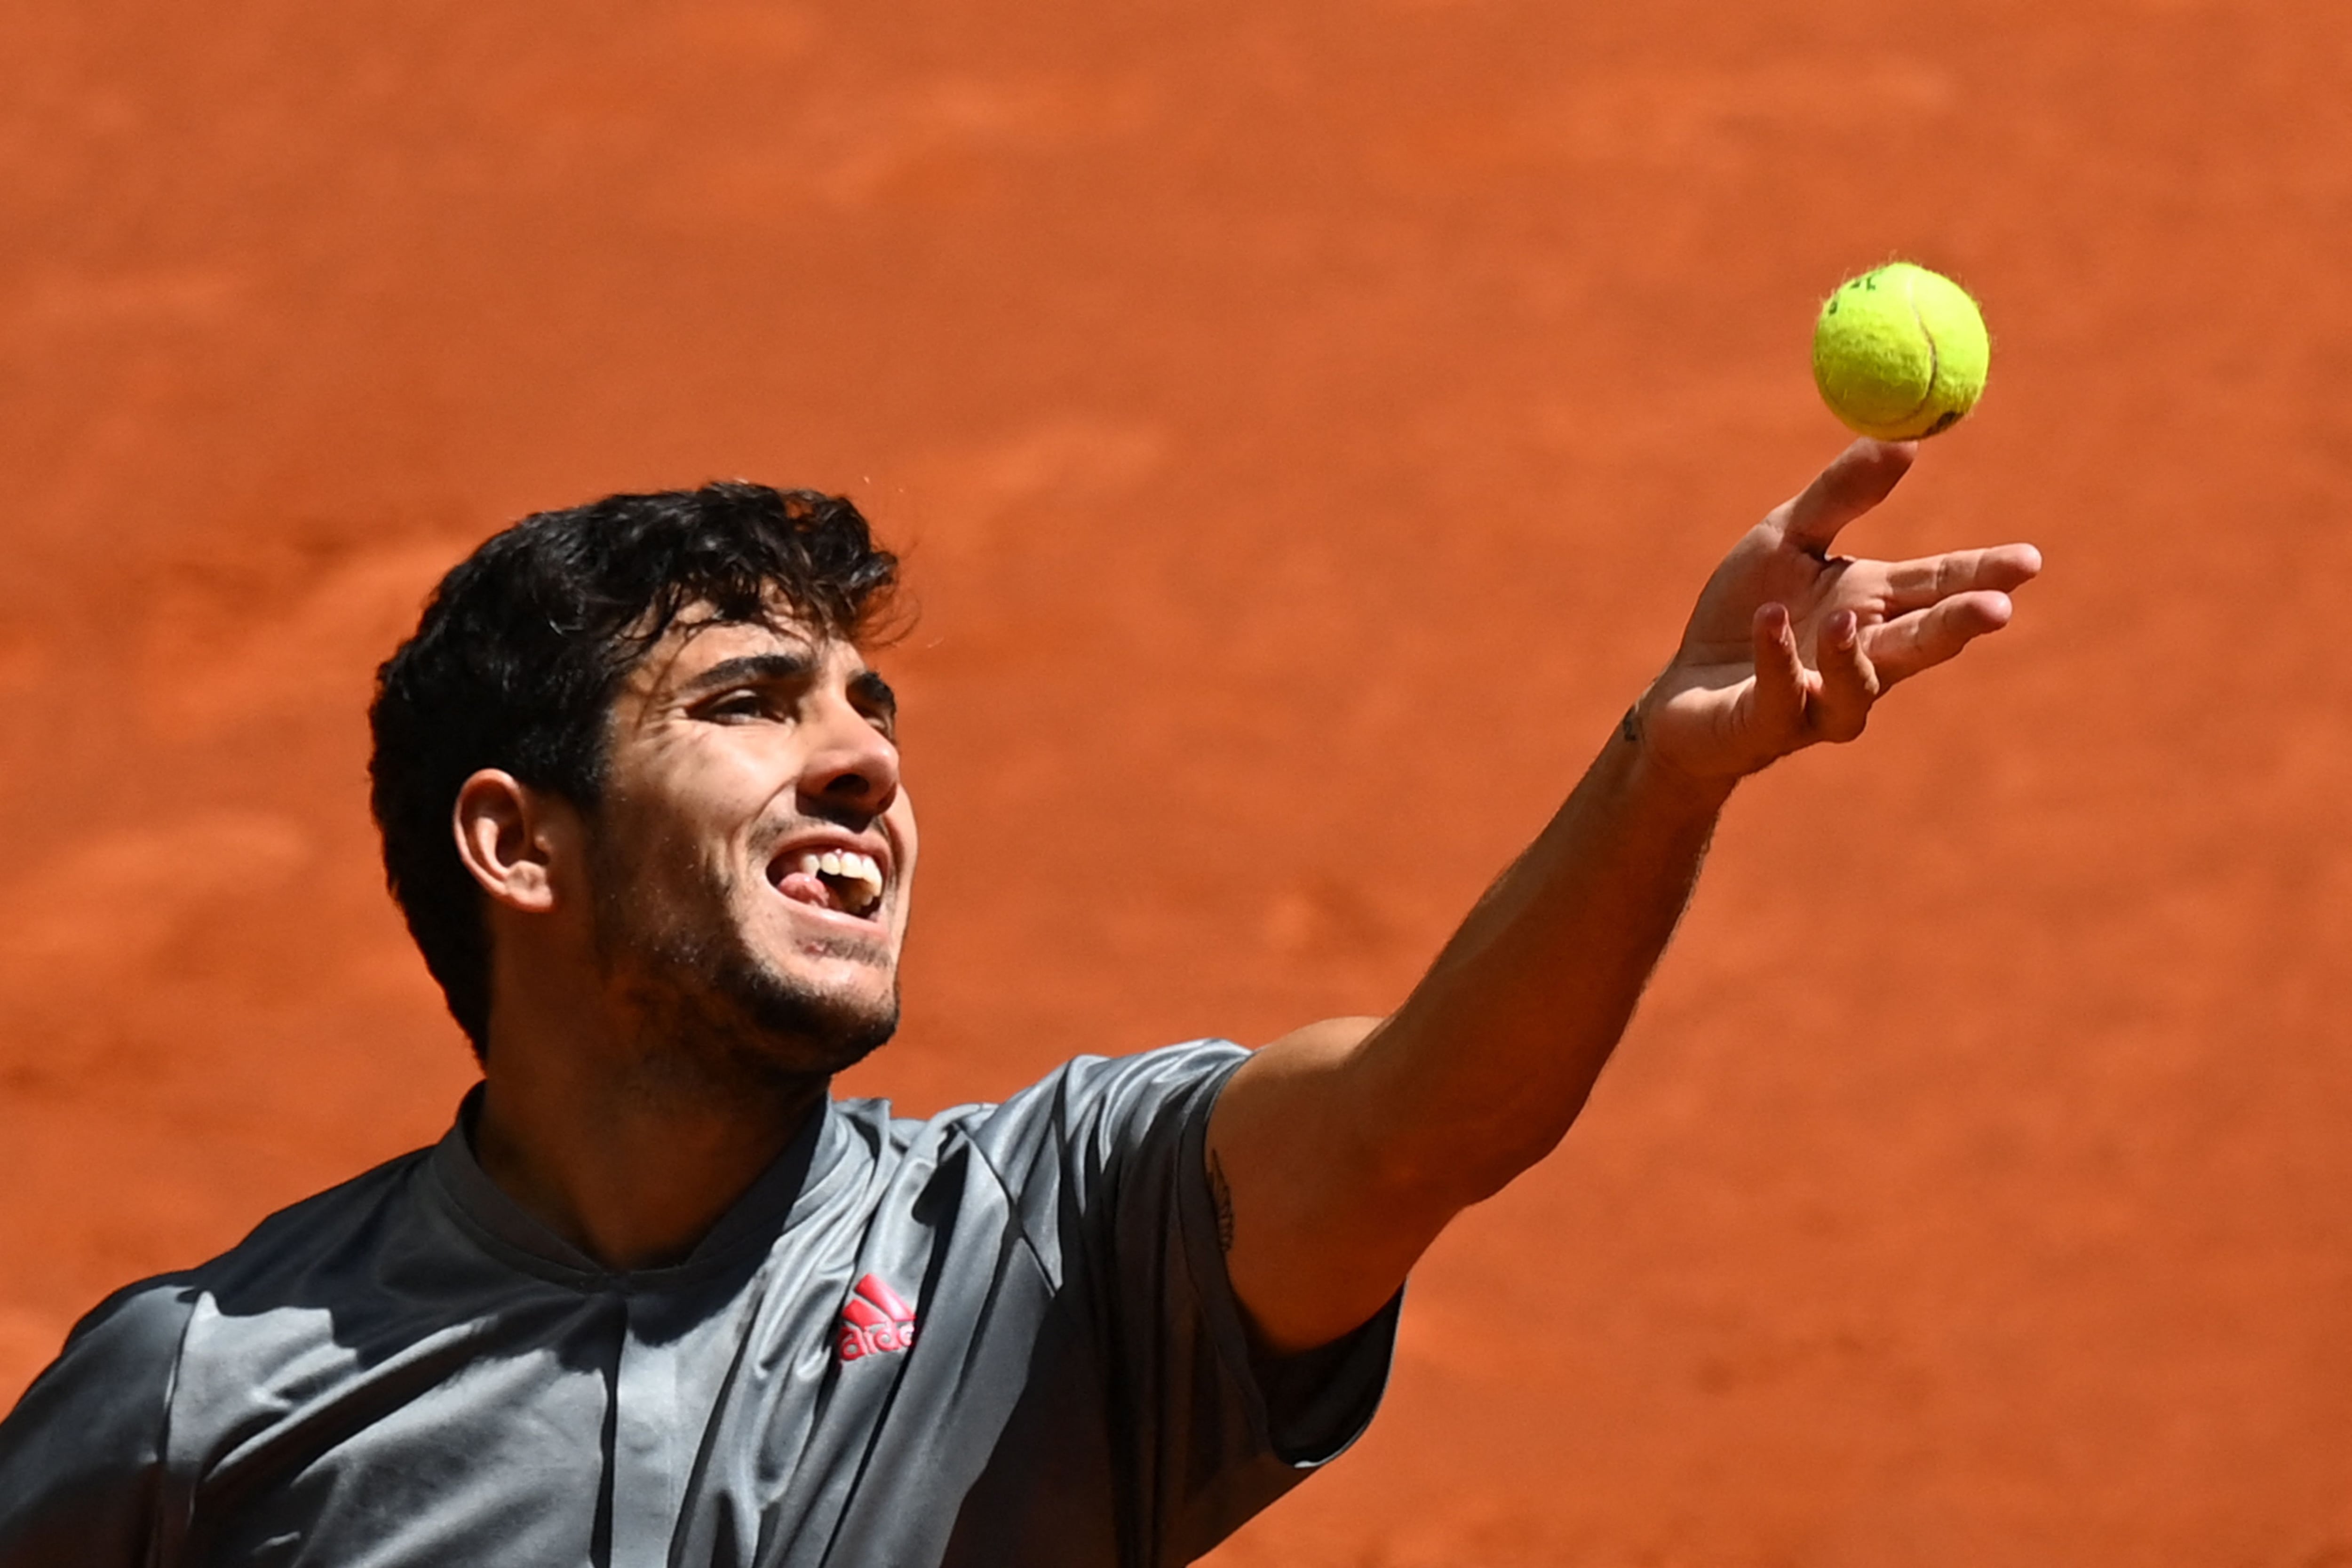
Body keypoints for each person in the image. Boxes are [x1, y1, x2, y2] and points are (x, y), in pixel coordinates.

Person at [0, 439, 2038, 1567]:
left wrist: (1661, 770)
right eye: (747, 706)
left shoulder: (1054, 1244)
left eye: (870, 710)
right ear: (518, 849)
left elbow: (1422, 1118)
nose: (867, 762)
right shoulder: (205, 1398)